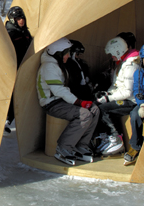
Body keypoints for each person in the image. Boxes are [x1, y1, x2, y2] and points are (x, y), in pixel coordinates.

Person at [37, 37, 100, 166]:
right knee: (84, 114)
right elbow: (59, 90)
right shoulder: (49, 67)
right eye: (65, 53)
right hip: (51, 103)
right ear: (58, 54)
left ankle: (81, 145)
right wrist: (78, 102)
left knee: (94, 109)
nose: (68, 56)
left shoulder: (57, 64)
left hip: (61, 100)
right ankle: (63, 147)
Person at [94, 34, 139, 156]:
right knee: (97, 104)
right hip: (124, 98)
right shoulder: (123, 63)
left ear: (119, 51)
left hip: (132, 102)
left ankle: (115, 139)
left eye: (113, 54)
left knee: (103, 109)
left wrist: (108, 98)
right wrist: (107, 93)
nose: (112, 57)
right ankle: (106, 137)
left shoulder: (131, 65)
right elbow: (117, 85)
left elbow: (128, 92)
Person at [5, 6, 33, 133]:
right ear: (12, 20)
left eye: (22, 18)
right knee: (10, 95)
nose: (21, 21)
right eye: (18, 18)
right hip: (12, 70)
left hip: (24, 68)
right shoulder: (9, 34)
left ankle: (14, 119)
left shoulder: (26, 33)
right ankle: (6, 120)